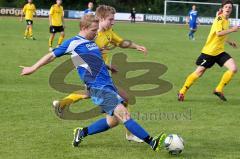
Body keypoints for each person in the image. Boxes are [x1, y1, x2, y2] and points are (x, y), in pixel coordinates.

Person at [20, 14, 167, 152]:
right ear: (83, 28)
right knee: (125, 115)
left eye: (97, 30)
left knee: (113, 121)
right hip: (99, 87)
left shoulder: (90, 42)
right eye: (93, 30)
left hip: (107, 84)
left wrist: (108, 66)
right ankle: (153, 142)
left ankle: (82, 132)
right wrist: (32, 68)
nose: (96, 33)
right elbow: (51, 56)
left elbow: (87, 61)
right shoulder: (73, 43)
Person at [53, 5, 147, 143]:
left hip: (104, 75)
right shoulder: (91, 35)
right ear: (101, 19)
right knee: (92, 93)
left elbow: (121, 42)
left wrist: (136, 46)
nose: (113, 22)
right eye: (110, 19)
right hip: (93, 76)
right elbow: (76, 55)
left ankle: (76, 122)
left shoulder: (109, 32)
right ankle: (130, 134)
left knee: (114, 116)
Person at [178, 0, 238, 102]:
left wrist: (229, 41)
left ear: (232, 10)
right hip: (209, 52)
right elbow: (218, 33)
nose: (228, 9)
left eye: (230, 7)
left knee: (233, 68)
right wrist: (232, 29)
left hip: (219, 52)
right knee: (199, 72)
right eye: (226, 7)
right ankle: (182, 91)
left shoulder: (227, 20)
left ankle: (218, 89)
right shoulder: (219, 18)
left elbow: (220, 35)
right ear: (222, 8)